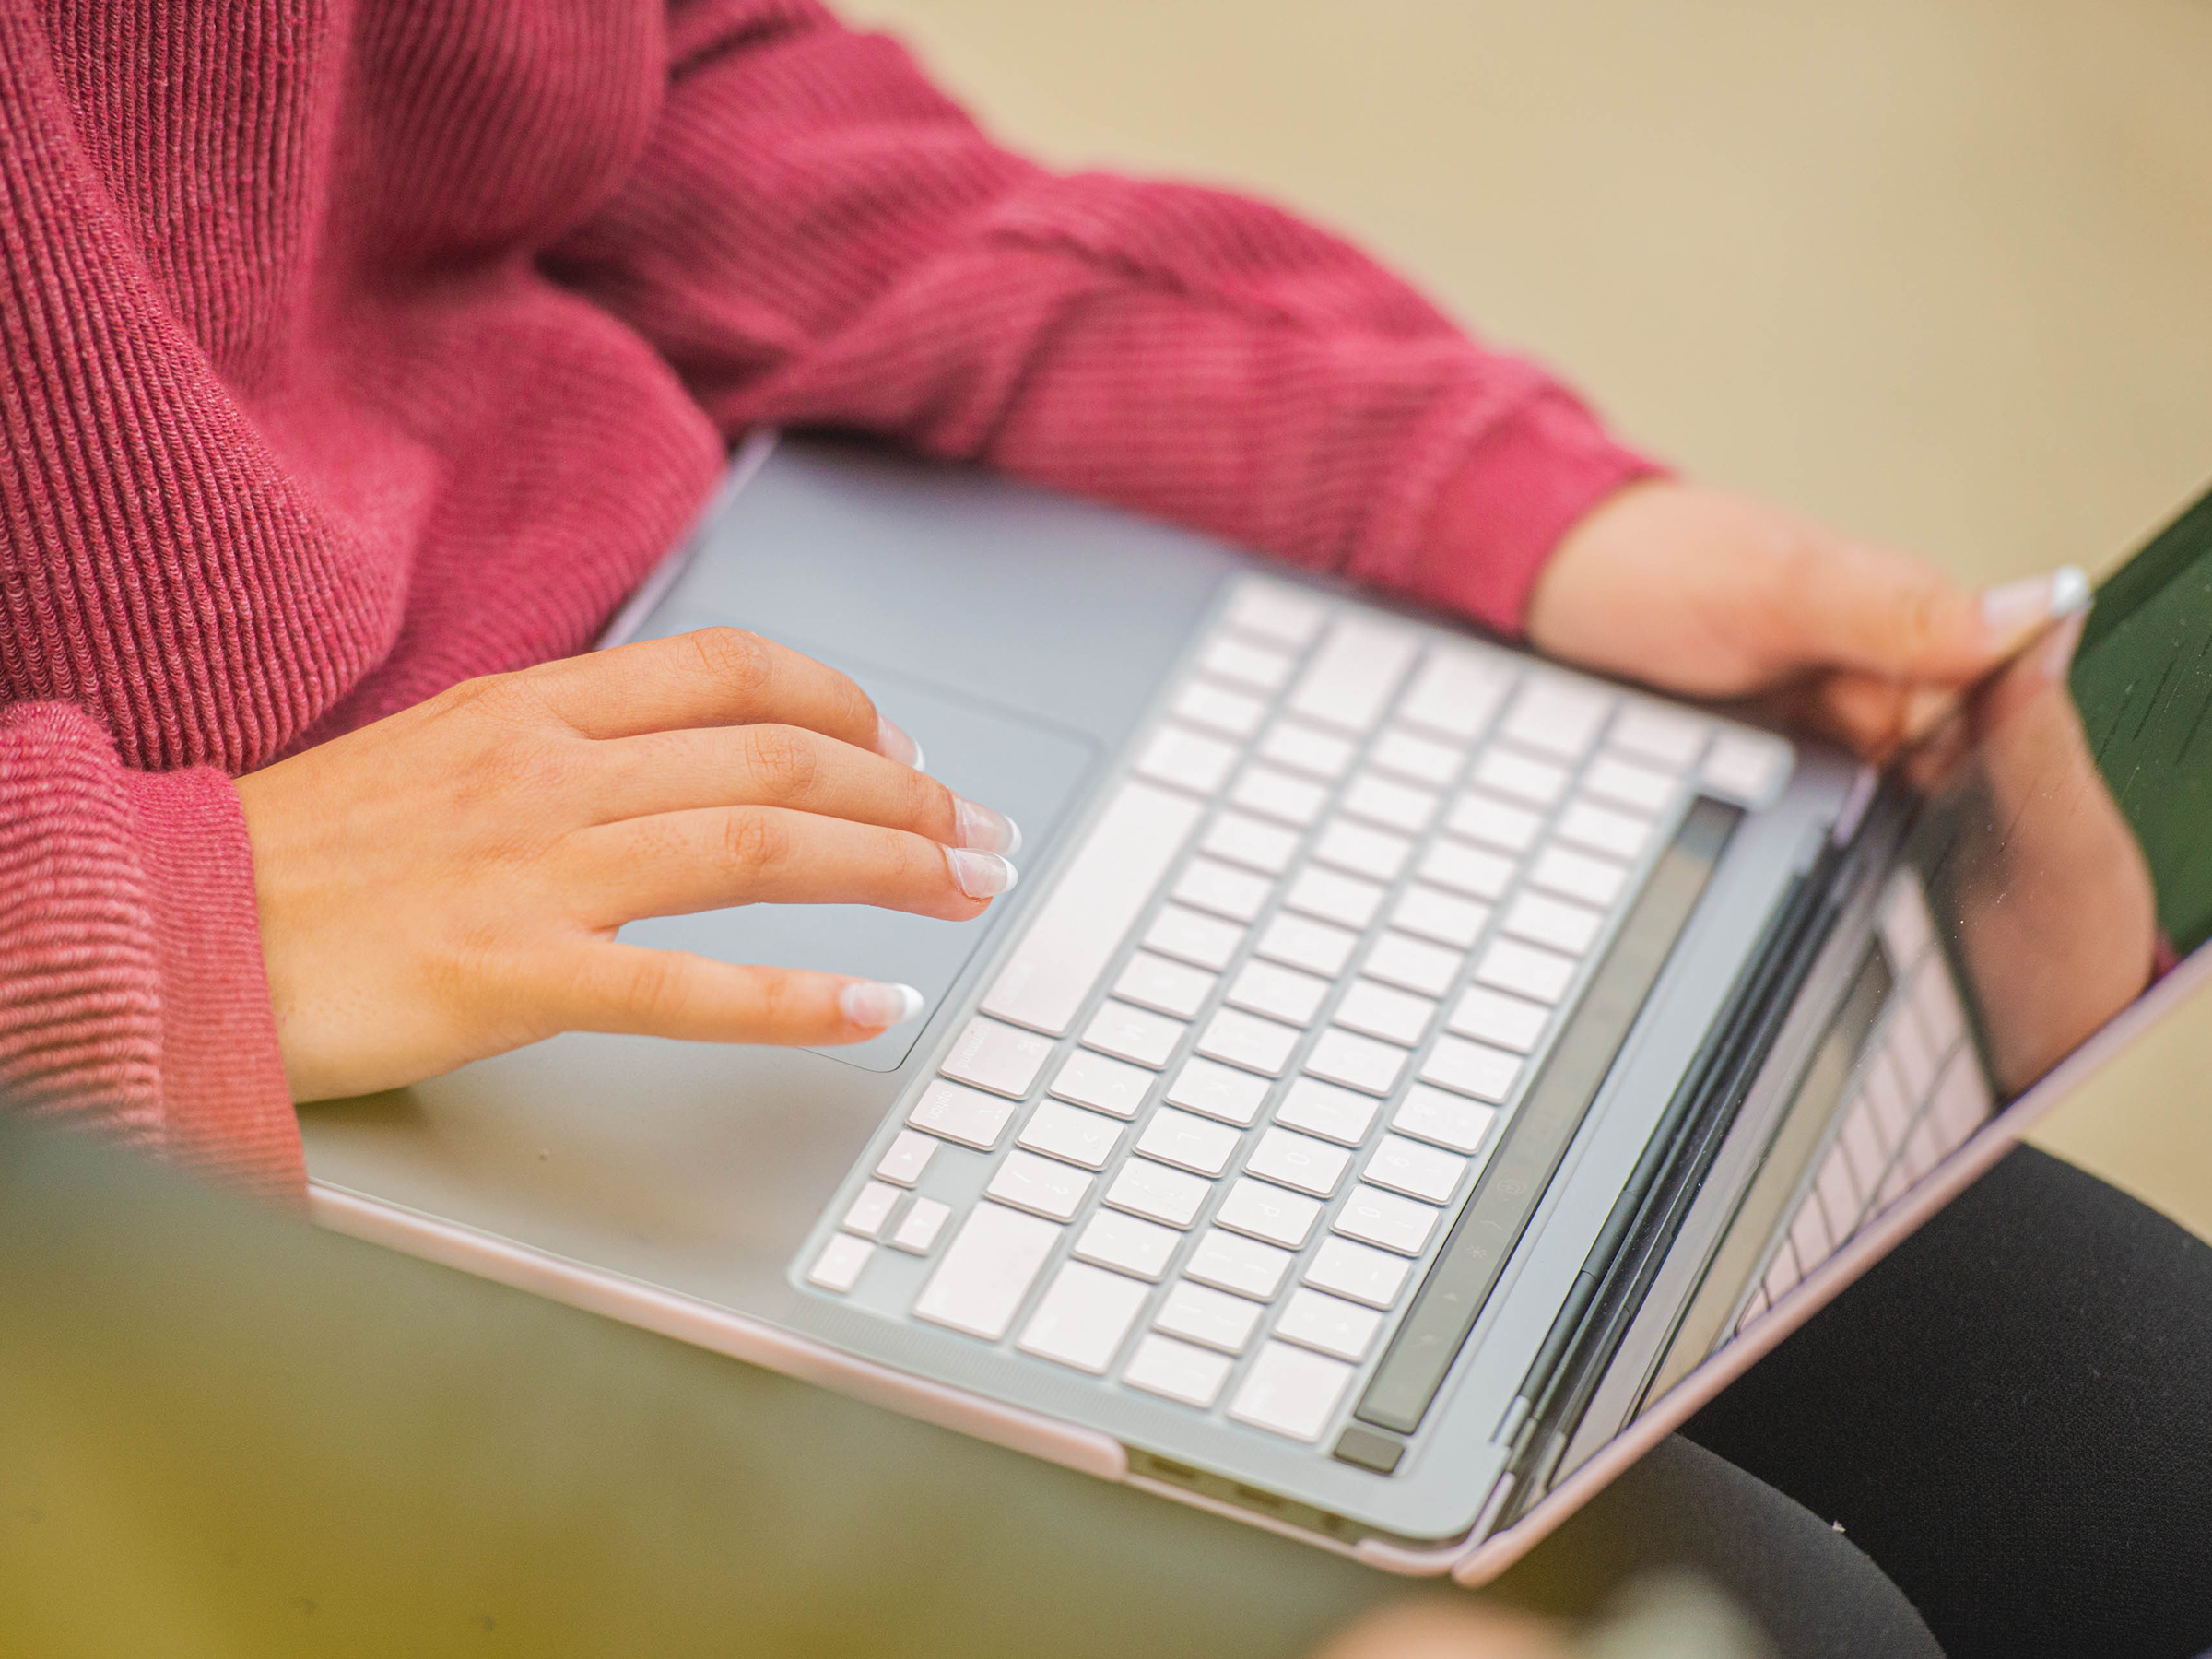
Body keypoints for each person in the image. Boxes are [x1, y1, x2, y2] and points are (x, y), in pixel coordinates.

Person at [3, 6, 2206, 1656]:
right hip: (173, 1143)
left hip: (783, 677)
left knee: (2148, 1455)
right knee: (1791, 1626)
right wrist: (141, 919)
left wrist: (1473, 496)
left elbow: (675, 83)